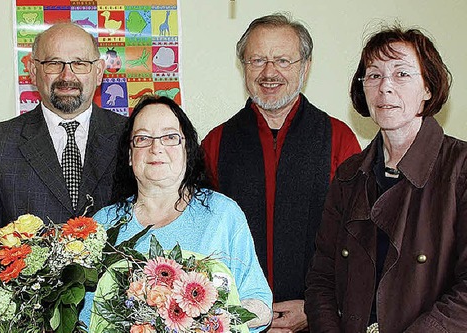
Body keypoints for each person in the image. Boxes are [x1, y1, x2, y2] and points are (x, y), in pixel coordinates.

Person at [201, 13, 361, 332]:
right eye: (257, 59)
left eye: (283, 60)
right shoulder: (215, 143)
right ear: (243, 65)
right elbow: (205, 244)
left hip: (318, 319)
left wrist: (314, 307)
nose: (269, 72)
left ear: (305, 66)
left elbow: (355, 242)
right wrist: (241, 311)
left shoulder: (339, 139)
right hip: (237, 322)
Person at [305, 26, 467, 332]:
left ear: (429, 88)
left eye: (402, 74)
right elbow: (321, 277)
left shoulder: (460, 168)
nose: (385, 87)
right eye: (374, 75)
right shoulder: (349, 174)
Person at [81, 95, 273, 331]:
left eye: (170, 137)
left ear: (187, 149)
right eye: (142, 138)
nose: (156, 147)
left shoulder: (222, 214)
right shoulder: (103, 224)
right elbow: (86, 318)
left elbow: (261, 304)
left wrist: (211, 317)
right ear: (130, 156)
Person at [0, 22, 126, 271]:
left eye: (79, 63)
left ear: (99, 71)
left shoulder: (133, 138)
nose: (67, 76)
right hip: (29, 307)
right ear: (32, 70)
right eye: (54, 63)